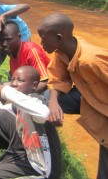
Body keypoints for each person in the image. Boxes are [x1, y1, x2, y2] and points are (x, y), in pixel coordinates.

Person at [37, 12, 108, 179]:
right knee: (44, 100)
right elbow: (57, 78)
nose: (41, 43)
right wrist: (53, 102)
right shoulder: (61, 53)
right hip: (89, 98)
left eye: (44, 39)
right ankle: (49, 156)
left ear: (59, 38)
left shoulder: (91, 59)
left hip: (102, 105)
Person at [0, 66, 61, 179]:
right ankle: (12, 148)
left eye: (20, 80)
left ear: (34, 85)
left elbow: (44, 113)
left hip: (43, 168)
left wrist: (5, 91)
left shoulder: (37, 100)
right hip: (29, 153)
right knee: (2, 114)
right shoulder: (20, 103)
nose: (14, 84)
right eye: (12, 79)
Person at [0, 20, 49, 93]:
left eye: (8, 39)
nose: (4, 44)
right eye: (1, 40)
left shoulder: (31, 50)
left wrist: (19, 96)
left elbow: (45, 83)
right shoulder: (12, 54)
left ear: (19, 36)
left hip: (46, 89)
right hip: (27, 87)